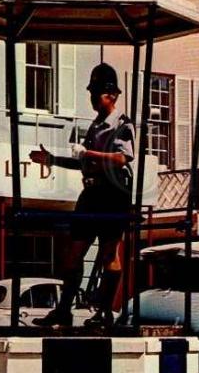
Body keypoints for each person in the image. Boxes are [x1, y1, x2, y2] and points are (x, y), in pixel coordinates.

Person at [29, 62, 135, 328]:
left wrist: (88, 154)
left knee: (110, 253)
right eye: (91, 93)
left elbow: (122, 158)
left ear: (111, 95)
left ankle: (105, 311)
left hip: (112, 192)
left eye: (97, 93)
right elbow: (84, 162)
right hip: (91, 193)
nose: (92, 99)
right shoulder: (96, 125)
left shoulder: (121, 124)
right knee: (73, 253)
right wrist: (53, 159)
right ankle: (64, 310)